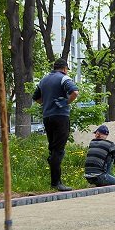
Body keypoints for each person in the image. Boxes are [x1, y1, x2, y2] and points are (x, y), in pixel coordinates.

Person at [32, 58, 79, 191]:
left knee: (53, 148)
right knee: (58, 150)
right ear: (64, 68)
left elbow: (35, 97)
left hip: (47, 117)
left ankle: (53, 166)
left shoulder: (44, 80)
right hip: (61, 117)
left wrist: (47, 103)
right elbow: (75, 92)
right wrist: (66, 102)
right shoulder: (64, 78)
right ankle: (56, 183)